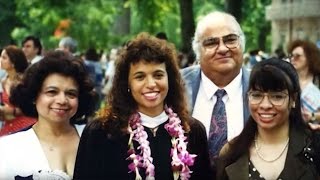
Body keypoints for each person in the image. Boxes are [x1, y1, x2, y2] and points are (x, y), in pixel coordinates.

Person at [73, 32, 213, 180]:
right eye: (140, 77)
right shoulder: (101, 132)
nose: (151, 84)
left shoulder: (192, 131)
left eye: (158, 75)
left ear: (169, 80)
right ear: (127, 83)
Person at [216, 57, 320, 180]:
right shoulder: (231, 152)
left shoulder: (314, 146)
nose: (265, 105)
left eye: (277, 97)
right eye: (257, 95)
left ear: (293, 99)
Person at [0, 51, 97, 179]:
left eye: (71, 94)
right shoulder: (9, 147)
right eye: (52, 92)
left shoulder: (95, 139)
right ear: (34, 96)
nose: (62, 100)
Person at [181, 11, 250, 161]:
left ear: (242, 43)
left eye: (230, 40)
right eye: (211, 42)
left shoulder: (262, 85)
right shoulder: (175, 84)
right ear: (197, 50)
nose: (223, 49)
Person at [0, 45, 36, 136]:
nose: (0, 59)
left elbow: (32, 106)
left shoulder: (24, 81)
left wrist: (12, 111)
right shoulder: (4, 81)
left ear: (13, 62)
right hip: (9, 124)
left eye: (4, 57)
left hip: (26, 123)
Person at [287, 40, 320, 125]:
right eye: (291, 56)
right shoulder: (286, 80)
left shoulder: (317, 83)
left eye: (297, 56)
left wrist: (313, 116)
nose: (293, 59)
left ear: (309, 57)